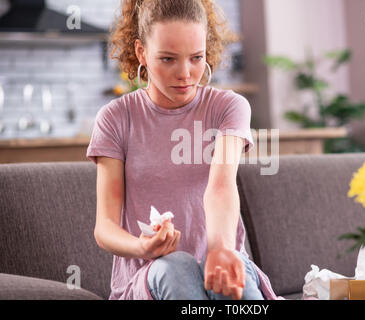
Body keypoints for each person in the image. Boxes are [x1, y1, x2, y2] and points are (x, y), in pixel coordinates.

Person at [87, 0, 280, 300]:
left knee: (225, 274)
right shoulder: (115, 119)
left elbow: (220, 188)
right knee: (176, 266)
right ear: (142, 52)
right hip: (149, 277)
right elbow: (105, 227)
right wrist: (142, 247)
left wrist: (220, 250)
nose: (185, 73)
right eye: (168, 59)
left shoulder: (228, 107)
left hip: (220, 255)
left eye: (196, 57)